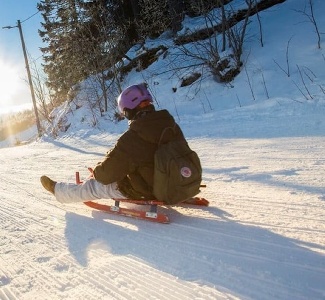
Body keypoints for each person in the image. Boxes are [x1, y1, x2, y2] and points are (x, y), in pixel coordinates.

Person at [40, 83, 187, 204]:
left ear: (129, 110)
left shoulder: (134, 137)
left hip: (149, 190)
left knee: (95, 187)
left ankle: (59, 191)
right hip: (178, 183)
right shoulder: (170, 125)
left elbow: (106, 175)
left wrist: (97, 172)